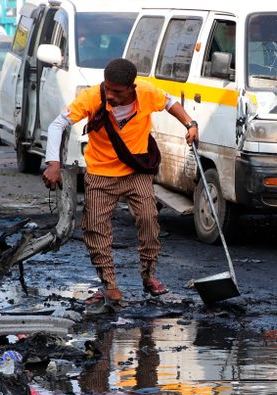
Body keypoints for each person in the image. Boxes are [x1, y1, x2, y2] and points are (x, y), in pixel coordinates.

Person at [42, 58, 198, 305]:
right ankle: (109, 285)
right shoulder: (93, 97)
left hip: (136, 172)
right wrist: (53, 164)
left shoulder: (146, 93)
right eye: (107, 88)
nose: (110, 95)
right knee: (95, 228)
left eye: (116, 91)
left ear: (131, 88)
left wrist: (190, 124)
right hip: (101, 173)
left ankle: (149, 275)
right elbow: (58, 124)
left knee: (148, 218)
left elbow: (170, 103)